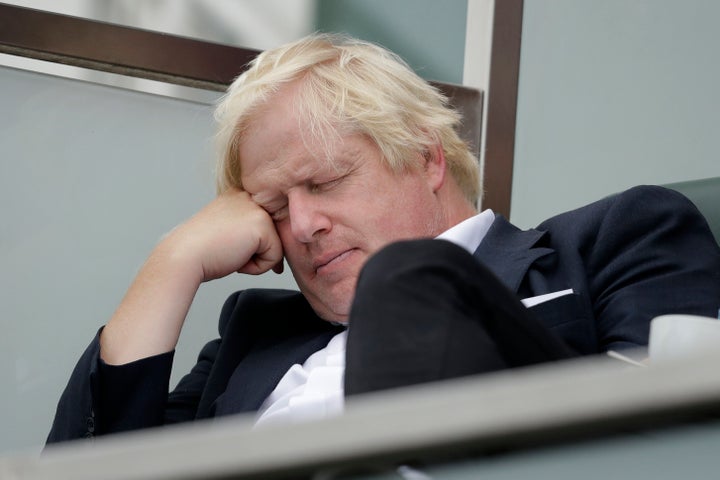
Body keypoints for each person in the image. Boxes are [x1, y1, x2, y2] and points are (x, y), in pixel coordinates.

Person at [47, 33, 720, 442]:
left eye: (328, 180)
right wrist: (174, 262)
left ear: (427, 156)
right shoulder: (255, 338)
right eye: (273, 207)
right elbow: (94, 470)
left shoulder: (615, 241)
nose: (303, 226)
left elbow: (672, 441)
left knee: (409, 282)